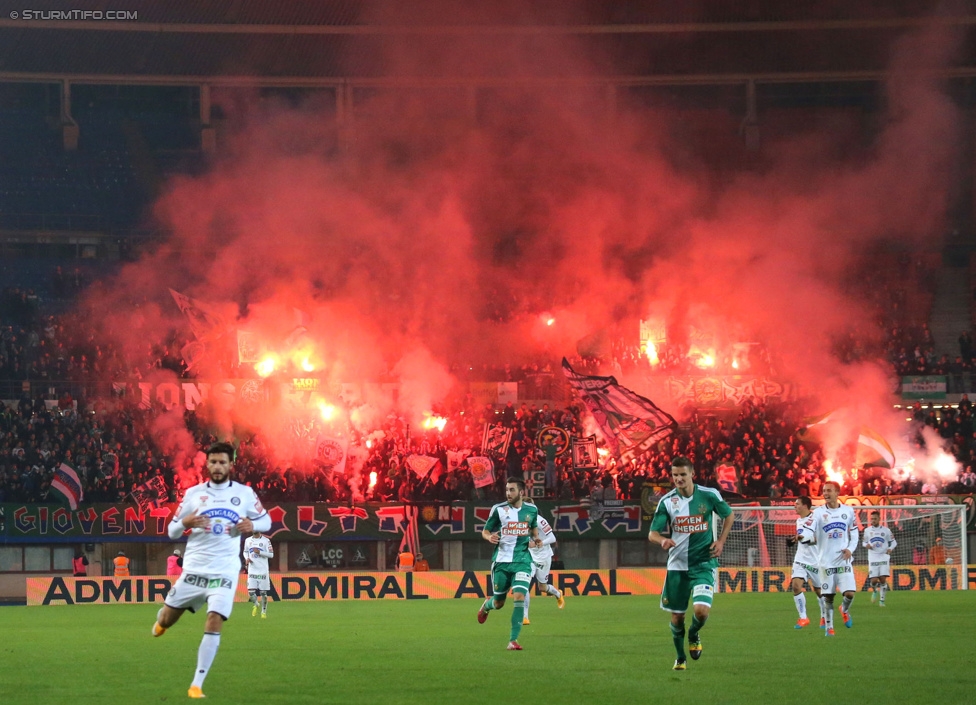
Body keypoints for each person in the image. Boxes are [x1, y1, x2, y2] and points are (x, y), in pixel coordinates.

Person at [151, 441, 271, 699]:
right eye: (213, 462)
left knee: (214, 618)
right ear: (207, 464)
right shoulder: (194, 494)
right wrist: (185, 521)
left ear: (231, 465)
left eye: (222, 462)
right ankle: (162, 623)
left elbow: (267, 520)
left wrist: (252, 523)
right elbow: (171, 532)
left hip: (224, 572)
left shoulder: (244, 494)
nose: (217, 466)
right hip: (194, 570)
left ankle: (196, 684)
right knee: (165, 620)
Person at [648, 456, 733, 671]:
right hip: (677, 566)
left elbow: (729, 515)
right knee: (677, 617)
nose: (679, 479)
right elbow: (652, 534)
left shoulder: (709, 495)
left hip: (704, 563)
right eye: (675, 475)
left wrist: (721, 541)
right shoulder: (667, 501)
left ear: (692, 474)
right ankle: (680, 658)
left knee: (701, 611)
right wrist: (663, 540)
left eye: (683, 474)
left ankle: (694, 633)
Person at [476, 477, 542, 651]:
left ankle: (513, 640)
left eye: (511, 490)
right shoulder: (498, 509)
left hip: (522, 561)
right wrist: (489, 537)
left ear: (521, 492)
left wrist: (536, 538)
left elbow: (533, 526)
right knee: (499, 603)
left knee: (519, 595)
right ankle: (487, 605)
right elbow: (485, 530)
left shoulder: (532, 509)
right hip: (501, 562)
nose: (508, 493)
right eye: (506, 490)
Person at [809, 481, 859, 636]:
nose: (825, 493)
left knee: (849, 593)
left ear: (837, 492)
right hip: (825, 562)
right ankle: (829, 628)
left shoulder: (848, 511)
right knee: (828, 596)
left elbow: (855, 532)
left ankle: (844, 610)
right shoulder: (817, 513)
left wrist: (850, 549)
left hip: (843, 560)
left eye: (829, 490)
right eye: (824, 491)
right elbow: (810, 528)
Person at [521, 503, 564, 625]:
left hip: (543, 557)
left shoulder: (540, 521)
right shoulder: (519, 520)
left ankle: (557, 593)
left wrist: (539, 543)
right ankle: (525, 617)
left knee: (542, 588)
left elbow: (553, 538)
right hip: (529, 556)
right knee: (525, 584)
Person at [788, 496, 825, 628]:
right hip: (800, 559)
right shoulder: (798, 521)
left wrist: (804, 538)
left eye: (797, 504)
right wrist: (795, 539)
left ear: (805, 506)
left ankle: (824, 616)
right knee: (796, 586)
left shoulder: (817, 519)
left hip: (815, 561)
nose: (795, 506)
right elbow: (802, 537)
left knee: (819, 591)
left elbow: (819, 538)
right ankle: (803, 618)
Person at [862, 511, 896, 606]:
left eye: (875, 519)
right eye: (871, 519)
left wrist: (890, 549)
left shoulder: (886, 530)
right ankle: (874, 590)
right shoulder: (867, 531)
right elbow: (863, 543)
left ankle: (882, 601)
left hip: (883, 557)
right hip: (873, 557)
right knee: (873, 580)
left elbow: (894, 542)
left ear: (879, 519)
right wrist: (867, 545)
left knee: (882, 579)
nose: (873, 521)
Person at [243, 529, 274, 618]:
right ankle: (256, 604)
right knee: (251, 592)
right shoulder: (248, 540)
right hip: (252, 570)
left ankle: (263, 612)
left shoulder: (266, 541)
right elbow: (245, 551)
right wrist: (247, 558)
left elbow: (271, 555)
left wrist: (259, 552)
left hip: (262, 570)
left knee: (263, 593)